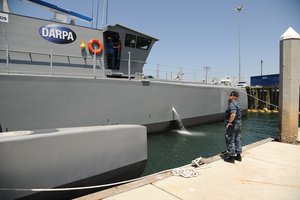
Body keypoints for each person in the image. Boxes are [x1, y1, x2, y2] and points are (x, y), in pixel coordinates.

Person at [224, 91, 242, 163]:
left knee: (230, 139)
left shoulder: (232, 104)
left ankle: (231, 157)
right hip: (238, 124)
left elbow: (233, 114)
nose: (228, 97)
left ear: (232, 96)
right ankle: (238, 155)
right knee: (237, 139)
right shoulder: (238, 103)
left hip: (233, 125)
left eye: (230, 95)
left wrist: (229, 122)